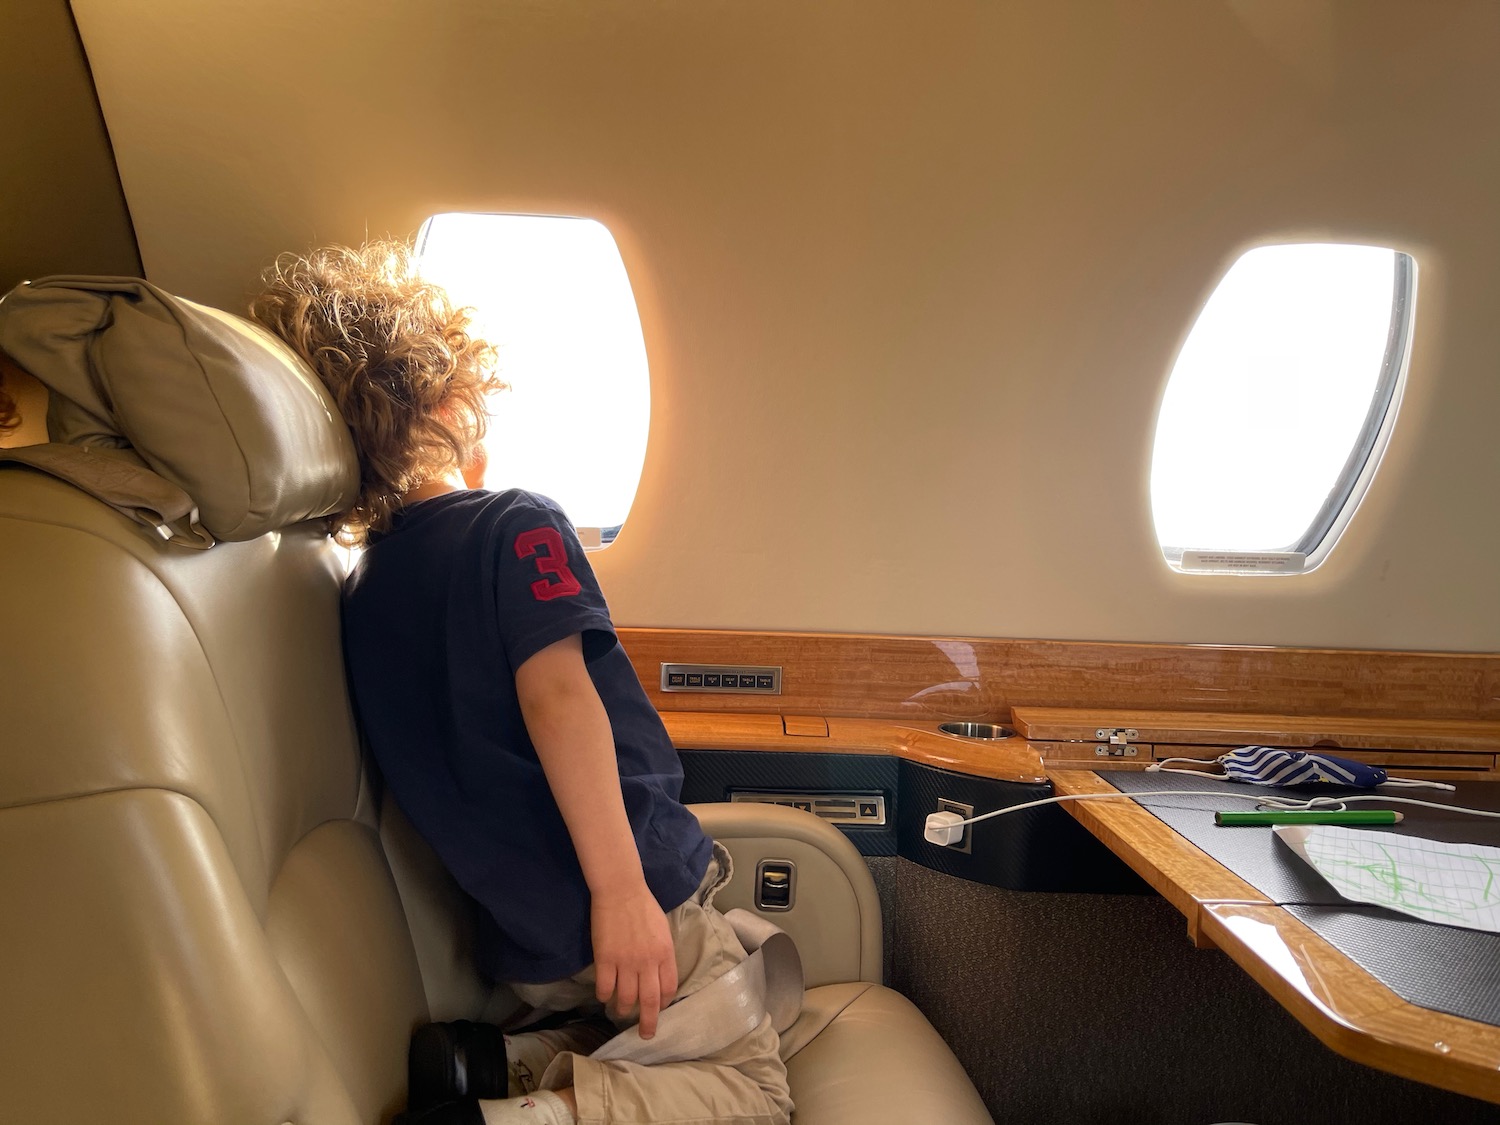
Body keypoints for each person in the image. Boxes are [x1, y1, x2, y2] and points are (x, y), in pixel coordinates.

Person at [250, 242, 792, 1125]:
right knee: (755, 1091)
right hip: (625, 890)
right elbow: (558, 698)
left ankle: (494, 1066)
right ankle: (535, 1117)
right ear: (453, 402)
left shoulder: (364, 588)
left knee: (612, 1015)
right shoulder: (519, 523)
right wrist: (622, 893)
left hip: (525, 946)